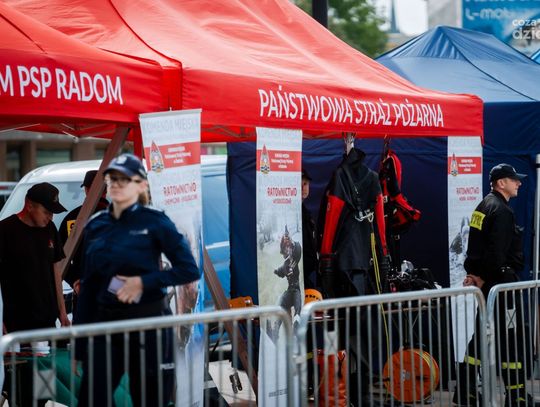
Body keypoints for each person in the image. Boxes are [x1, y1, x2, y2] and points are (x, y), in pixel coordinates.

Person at [74, 153, 200, 407]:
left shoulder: (155, 221)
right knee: (92, 398)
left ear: (141, 185)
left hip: (148, 325)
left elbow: (189, 270)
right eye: (112, 179)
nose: (117, 184)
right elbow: (89, 288)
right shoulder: (96, 225)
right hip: (106, 327)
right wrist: (78, 345)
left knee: (149, 399)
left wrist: (143, 282)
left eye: (125, 179)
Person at [453, 163, 538, 406]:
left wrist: (475, 274)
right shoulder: (502, 211)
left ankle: (466, 391)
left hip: (489, 283)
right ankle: (516, 395)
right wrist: (483, 277)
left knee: (482, 335)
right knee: (511, 339)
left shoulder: (483, 206)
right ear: (501, 183)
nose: (518, 183)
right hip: (501, 285)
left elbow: (475, 247)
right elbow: (496, 253)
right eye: (514, 179)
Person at [0, 182, 69, 407]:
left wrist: (62, 312)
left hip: (45, 321)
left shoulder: (50, 230)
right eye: (46, 211)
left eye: (53, 212)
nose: (50, 217)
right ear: (29, 205)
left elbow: (56, 272)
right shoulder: (5, 231)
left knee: (44, 389)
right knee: (18, 388)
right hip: (15, 324)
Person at [59, 170, 108, 298]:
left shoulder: (71, 219)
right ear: (106, 190)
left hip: (84, 291)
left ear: (86, 189)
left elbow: (59, 256)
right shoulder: (121, 217)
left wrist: (75, 281)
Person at [301, 168, 319, 289]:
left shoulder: (306, 212)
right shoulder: (290, 213)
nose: (303, 188)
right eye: (299, 184)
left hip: (305, 275)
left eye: (305, 184)